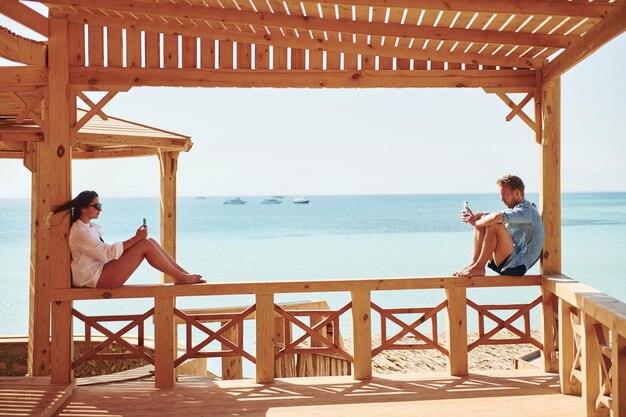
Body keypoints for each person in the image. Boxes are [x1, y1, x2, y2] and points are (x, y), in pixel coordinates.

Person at [51, 190, 205, 288]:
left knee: (149, 242)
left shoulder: (89, 227)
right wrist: (136, 238)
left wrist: (137, 239)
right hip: (95, 278)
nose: (100, 209)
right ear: (83, 208)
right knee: (144, 244)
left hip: (101, 271)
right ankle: (180, 277)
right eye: (96, 206)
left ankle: (182, 274)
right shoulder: (80, 232)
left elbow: (107, 253)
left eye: (100, 205)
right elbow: (107, 253)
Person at [454, 175, 545, 277]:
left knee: (495, 224)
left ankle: (479, 267)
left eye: (505, 195)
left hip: (518, 266)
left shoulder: (527, 210)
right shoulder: (515, 209)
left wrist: (475, 223)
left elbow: (496, 218)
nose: (502, 199)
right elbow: (489, 215)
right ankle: (474, 263)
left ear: (517, 193)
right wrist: (473, 217)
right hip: (506, 262)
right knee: (483, 219)